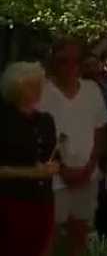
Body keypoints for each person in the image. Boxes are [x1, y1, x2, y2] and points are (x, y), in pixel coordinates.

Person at [37, 39, 107, 256]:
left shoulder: (92, 90)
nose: (70, 67)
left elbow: (100, 131)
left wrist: (89, 167)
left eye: (76, 61)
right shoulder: (42, 92)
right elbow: (40, 137)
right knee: (47, 238)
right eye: (63, 61)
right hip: (53, 179)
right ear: (53, 63)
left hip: (87, 176)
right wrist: (62, 169)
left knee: (79, 236)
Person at [0, 62, 60, 256]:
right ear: (16, 88)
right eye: (31, 85)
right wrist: (31, 173)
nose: (38, 89)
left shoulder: (46, 120)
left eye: (38, 84)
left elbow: (54, 156)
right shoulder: (4, 120)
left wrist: (53, 167)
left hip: (43, 202)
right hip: (11, 204)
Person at [81, 54, 107, 240]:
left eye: (93, 65)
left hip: (104, 150)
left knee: (104, 192)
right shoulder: (74, 93)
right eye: (86, 65)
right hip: (77, 149)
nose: (90, 70)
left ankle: (105, 234)